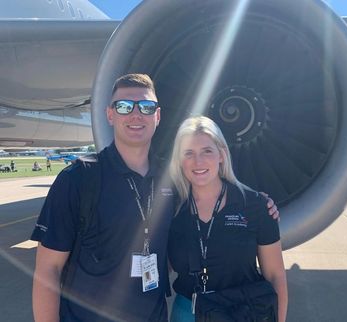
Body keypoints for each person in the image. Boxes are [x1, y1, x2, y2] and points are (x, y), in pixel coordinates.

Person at [31, 74, 279, 322]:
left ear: (157, 116)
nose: (136, 114)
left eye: (146, 107)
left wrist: (259, 202)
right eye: (124, 106)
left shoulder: (171, 180)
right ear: (110, 114)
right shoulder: (78, 179)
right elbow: (47, 270)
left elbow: (209, 200)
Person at [168, 116, 288, 322]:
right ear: (179, 160)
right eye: (189, 153)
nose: (198, 161)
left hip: (241, 312)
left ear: (221, 154)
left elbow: (276, 276)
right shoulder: (172, 209)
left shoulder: (254, 205)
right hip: (187, 312)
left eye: (207, 151)